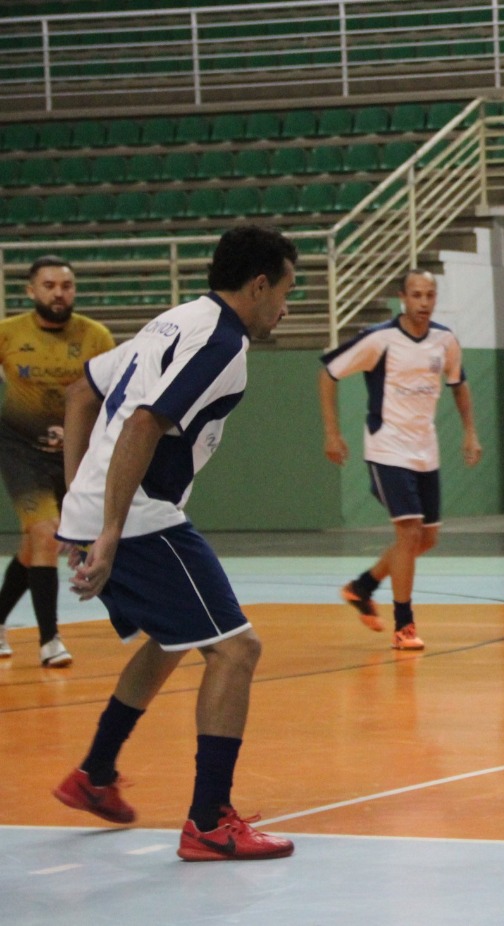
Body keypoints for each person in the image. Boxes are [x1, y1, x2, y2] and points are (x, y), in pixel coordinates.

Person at [52, 225, 299, 860]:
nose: (286, 309)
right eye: (286, 292)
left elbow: (81, 392)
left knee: (173, 639)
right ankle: (209, 824)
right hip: (136, 516)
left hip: (106, 507)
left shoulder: (175, 319)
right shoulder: (223, 343)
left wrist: (77, 500)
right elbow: (141, 422)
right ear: (260, 283)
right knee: (236, 651)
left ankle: (95, 774)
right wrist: (107, 528)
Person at [318, 269, 482, 650]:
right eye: (416, 295)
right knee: (408, 533)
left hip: (426, 449)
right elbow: (328, 374)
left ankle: (363, 586)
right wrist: (332, 433)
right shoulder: (380, 339)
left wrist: (470, 432)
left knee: (426, 539)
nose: (424, 303)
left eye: (429, 295)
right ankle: (404, 624)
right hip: (387, 447)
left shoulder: (445, 341)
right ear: (402, 298)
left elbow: (459, 385)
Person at [0, 256, 115, 667]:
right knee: (47, 533)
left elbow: (111, 397)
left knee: (37, 544)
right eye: (49, 285)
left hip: (72, 455)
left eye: (66, 285)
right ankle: (50, 640)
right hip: (20, 450)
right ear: (31, 292)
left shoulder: (95, 336)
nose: (58, 293)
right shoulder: (9, 333)